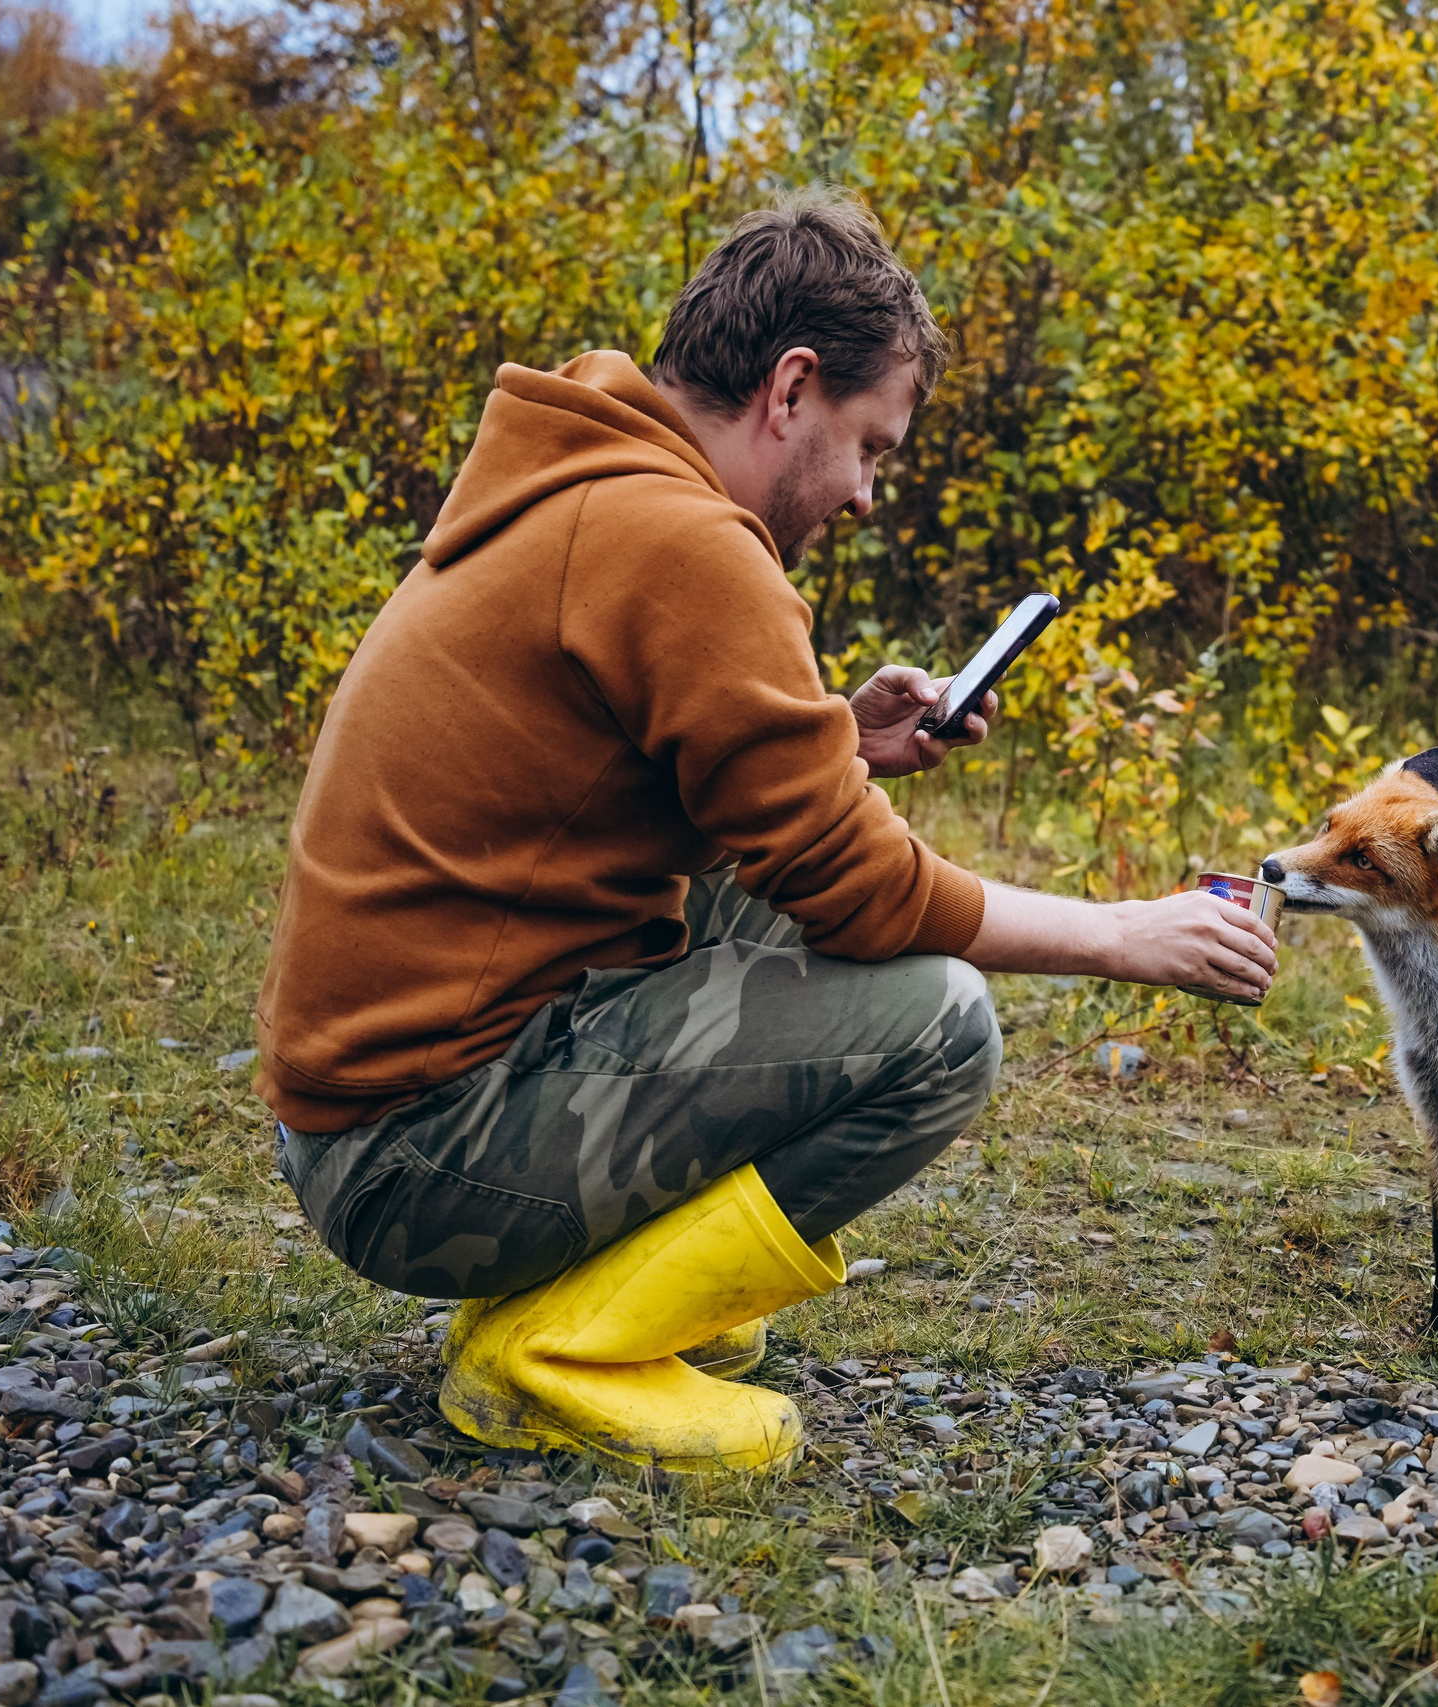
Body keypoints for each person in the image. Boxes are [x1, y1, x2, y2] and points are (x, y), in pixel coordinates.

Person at [255, 187, 1278, 1475]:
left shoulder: (591, 482)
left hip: (374, 1122)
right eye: (871, 448)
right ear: (790, 388)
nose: (863, 497)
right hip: (412, 1164)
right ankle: (556, 1348)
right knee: (938, 1025)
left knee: (767, 889)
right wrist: (1128, 934)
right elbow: (863, 890)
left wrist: (838, 741)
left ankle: (611, 1290)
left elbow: (650, 795)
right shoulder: (681, 540)